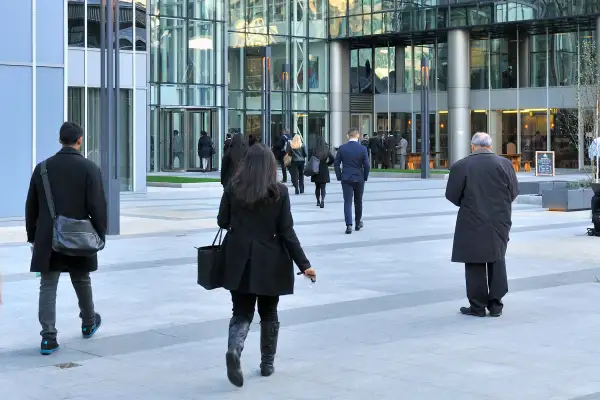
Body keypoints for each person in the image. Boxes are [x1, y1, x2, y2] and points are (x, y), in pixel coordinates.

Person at [217, 144, 316, 388]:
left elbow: (222, 220)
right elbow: (287, 232)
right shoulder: (279, 192)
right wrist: (304, 265)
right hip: (270, 260)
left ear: (246, 164)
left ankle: (234, 350)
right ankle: (267, 363)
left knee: (241, 311)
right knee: (269, 312)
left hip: (238, 259)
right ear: (271, 165)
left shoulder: (233, 188)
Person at [25, 122, 107, 355]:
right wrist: (99, 236)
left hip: (48, 238)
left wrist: (33, 237)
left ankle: (48, 337)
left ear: (60, 140)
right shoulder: (90, 169)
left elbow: (31, 206)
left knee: (48, 285)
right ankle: (89, 322)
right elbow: (98, 206)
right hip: (80, 237)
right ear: (80, 140)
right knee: (82, 280)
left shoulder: (42, 169)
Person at [445, 132, 518, 318]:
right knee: (497, 258)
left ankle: (477, 306)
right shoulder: (505, 164)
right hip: (499, 219)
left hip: (472, 218)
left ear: (472, 146)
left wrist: (469, 203)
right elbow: (514, 192)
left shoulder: (461, 166)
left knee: (474, 261)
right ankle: (496, 305)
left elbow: (452, 195)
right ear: (490, 145)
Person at [334, 128, 370, 234]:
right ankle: (358, 223)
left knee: (347, 202)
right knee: (358, 201)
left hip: (346, 177)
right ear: (358, 135)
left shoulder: (342, 148)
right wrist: (365, 176)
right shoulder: (362, 148)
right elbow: (367, 165)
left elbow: (336, 164)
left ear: (347, 136)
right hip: (359, 178)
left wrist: (339, 176)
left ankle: (349, 225)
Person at [310, 137, 335, 208]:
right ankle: (322, 200)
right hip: (324, 169)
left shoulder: (314, 150)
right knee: (323, 187)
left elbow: (311, 159)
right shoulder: (326, 150)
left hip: (316, 169)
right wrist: (327, 164)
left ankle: (317, 201)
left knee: (317, 187)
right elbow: (333, 159)